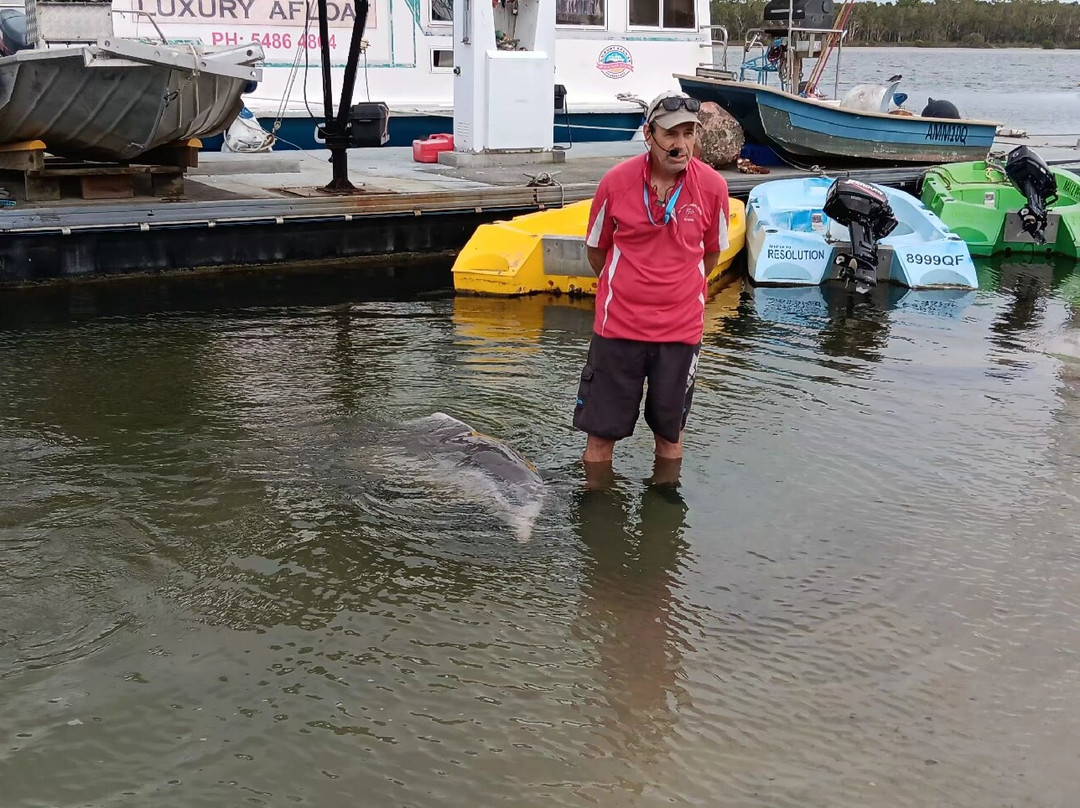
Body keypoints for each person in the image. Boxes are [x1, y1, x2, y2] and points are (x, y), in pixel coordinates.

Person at [573, 90, 730, 476]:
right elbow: (597, 251)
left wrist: (677, 289)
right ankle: (596, 518)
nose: (682, 145)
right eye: (672, 134)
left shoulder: (712, 188)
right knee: (600, 435)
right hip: (618, 329)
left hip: (679, 333)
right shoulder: (615, 183)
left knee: (670, 434)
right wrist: (626, 289)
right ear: (649, 134)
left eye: (689, 133)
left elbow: (711, 256)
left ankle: (663, 517)